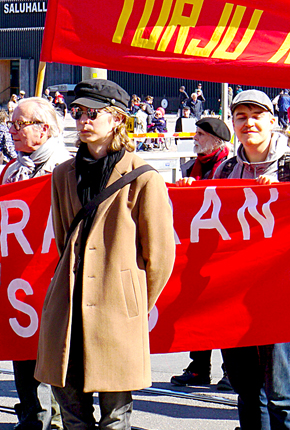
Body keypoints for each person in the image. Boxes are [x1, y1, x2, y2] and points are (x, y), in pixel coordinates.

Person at [35, 80, 175, 430]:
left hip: (116, 312)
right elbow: (63, 238)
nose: (83, 120)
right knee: (71, 415)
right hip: (67, 311)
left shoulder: (143, 177)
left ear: (116, 119)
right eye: (77, 112)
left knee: (115, 420)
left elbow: (160, 255)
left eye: (92, 113)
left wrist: (131, 301)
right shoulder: (63, 174)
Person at [215, 90, 290, 430]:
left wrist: (282, 197)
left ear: (273, 121)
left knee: (283, 393)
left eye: (256, 116)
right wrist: (190, 190)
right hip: (236, 293)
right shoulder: (226, 169)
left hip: (283, 294)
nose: (248, 123)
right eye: (241, 117)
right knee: (247, 389)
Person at [4, 98, 71, 430]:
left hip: (52, 276)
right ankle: (31, 413)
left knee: (51, 354)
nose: (12, 131)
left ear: (44, 129)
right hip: (19, 281)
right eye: (11, 124)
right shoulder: (12, 170)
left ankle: (52, 419)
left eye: (20, 124)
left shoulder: (65, 169)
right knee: (21, 347)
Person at [170, 117, 234, 392]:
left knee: (226, 311)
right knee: (197, 310)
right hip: (195, 251)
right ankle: (199, 367)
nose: (195, 138)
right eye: (195, 133)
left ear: (216, 141)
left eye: (200, 134)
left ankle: (231, 370)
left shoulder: (230, 168)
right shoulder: (188, 168)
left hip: (224, 251)